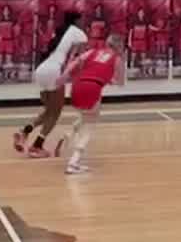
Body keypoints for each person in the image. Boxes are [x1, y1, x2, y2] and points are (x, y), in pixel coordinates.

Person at [18, 11, 88, 159]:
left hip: (41, 70)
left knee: (50, 110)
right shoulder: (80, 34)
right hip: (54, 71)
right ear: (76, 21)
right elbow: (79, 59)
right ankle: (36, 146)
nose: (83, 22)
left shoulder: (60, 31)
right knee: (55, 113)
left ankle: (24, 132)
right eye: (81, 19)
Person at [57, 29, 124, 175]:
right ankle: (73, 162)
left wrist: (64, 76)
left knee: (86, 115)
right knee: (90, 124)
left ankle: (68, 133)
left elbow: (75, 62)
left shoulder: (93, 51)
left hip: (77, 85)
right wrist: (111, 78)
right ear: (119, 46)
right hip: (93, 88)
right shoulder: (117, 59)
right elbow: (120, 82)